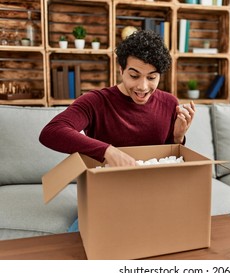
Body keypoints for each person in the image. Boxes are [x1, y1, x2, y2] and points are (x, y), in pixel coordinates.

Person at [39, 30, 196, 231]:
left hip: (154, 195)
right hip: (107, 196)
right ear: (121, 69)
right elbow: (52, 132)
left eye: (152, 77)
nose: (143, 86)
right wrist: (109, 152)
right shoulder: (95, 101)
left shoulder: (169, 103)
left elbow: (166, 159)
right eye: (134, 75)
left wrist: (178, 137)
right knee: (81, 244)